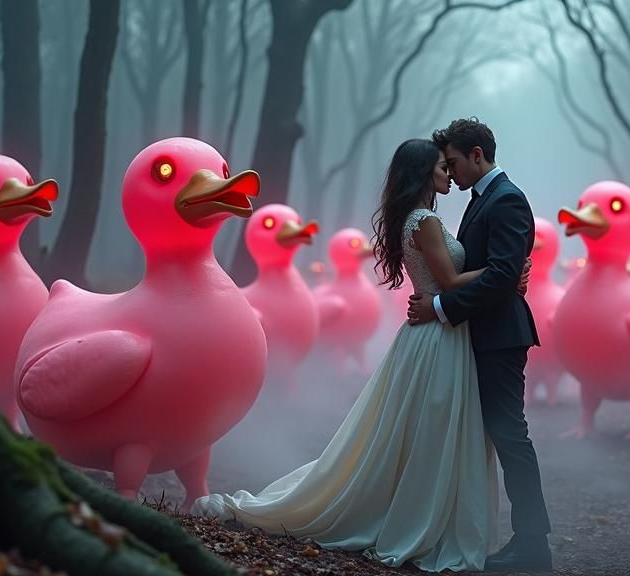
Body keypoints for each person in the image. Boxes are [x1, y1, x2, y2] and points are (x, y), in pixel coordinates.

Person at [193, 138, 530, 572]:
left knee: (421, 428)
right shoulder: (424, 221)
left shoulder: (420, 218)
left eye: (450, 165)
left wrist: (498, 277)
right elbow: (448, 280)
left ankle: (419, 509)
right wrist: (506, 273)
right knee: (432, 428)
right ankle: (420, 516)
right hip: (437, 336)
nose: (448, 173)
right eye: (442, 167)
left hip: (437, 331)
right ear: (425, 171)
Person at [409, 118, 552, 572]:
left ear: (476, 155)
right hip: (481, 332)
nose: (450, 173)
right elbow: (497, 270)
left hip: (499, 336)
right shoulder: (482, 200)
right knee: (498, 436)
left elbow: (502, 274)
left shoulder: (506, 199)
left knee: (511, 436)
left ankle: (532, 545)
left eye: (453, 162)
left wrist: (440, 306)